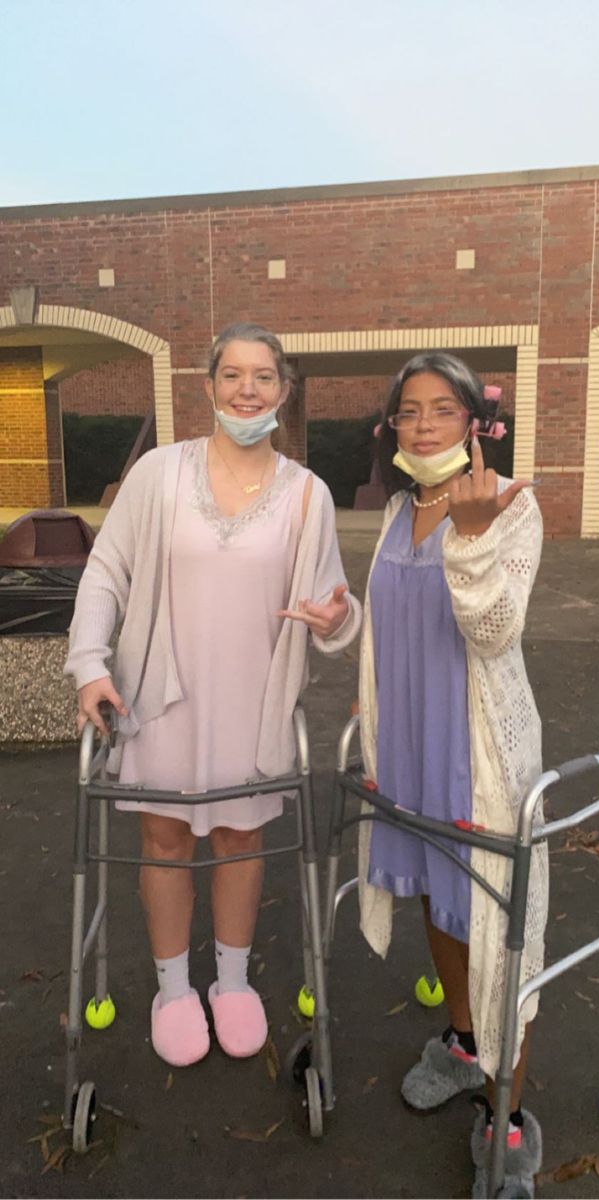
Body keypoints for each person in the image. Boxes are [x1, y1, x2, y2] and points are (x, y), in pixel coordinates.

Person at [65, 322, 361, 1069]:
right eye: (232, 375)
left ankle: (230, 984)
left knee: (239, 837)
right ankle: (173, 990)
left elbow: (335, 605)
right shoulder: (159, 473)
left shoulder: (308, 495)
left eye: (263, 377)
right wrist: (89, 664)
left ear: (284, 391)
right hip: (159, 696)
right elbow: (107, 572)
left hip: (251, 700)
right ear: (208, 386)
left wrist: (337, 617)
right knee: (163, 837)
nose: (247, 390)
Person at [356, 353, 548, 1197]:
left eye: (441, 409)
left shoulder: (510, 504)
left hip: (479, 755)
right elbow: (382, 633)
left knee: (503, 930)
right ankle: (464, 1042)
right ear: (391, 427)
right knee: (440, 896)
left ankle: (505, 1113)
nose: (424, 424)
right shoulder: (396, 510)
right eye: (409, 411)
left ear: (476, 422)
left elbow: (498, 628)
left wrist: (470, 540)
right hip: (409, 751)